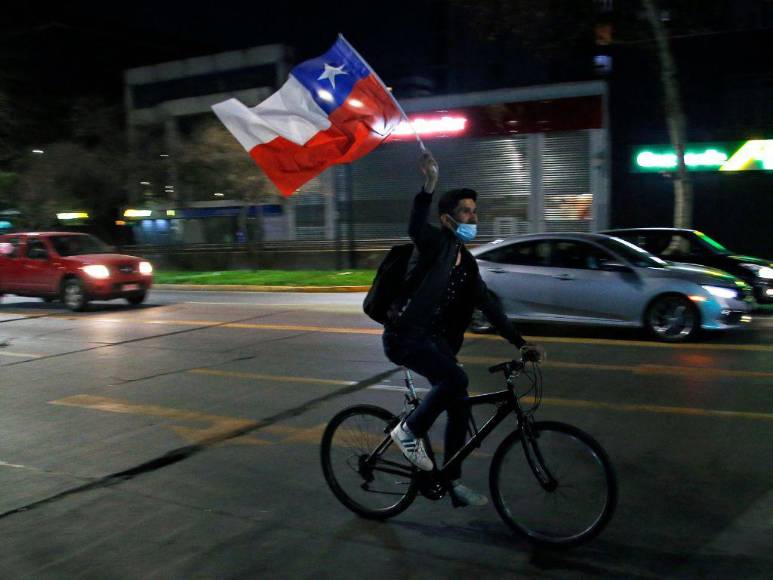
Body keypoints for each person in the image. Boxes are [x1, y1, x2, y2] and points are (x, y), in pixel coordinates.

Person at [382, 151, 538, 507]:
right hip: (404, 336)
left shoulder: (466, 262)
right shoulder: (436, 244)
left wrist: (520, 342)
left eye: (474, 211)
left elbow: (488, 304)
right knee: (455, 381)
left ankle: (450, 481)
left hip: (432, 339)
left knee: (459, 403)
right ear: (448, 218)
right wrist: (429, 185)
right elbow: (415, 228)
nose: (473, 217)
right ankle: (407, 432)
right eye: (466, 211)